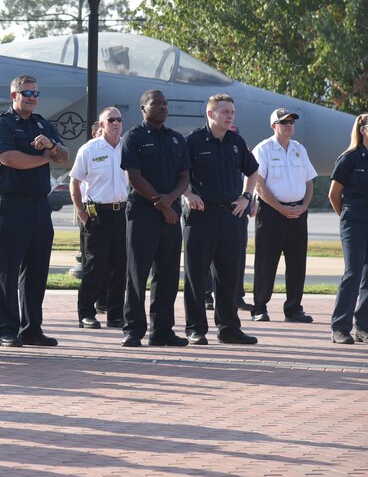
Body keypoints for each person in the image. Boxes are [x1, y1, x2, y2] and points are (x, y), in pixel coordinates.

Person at [0, 75, 69, 347]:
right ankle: (6, 329)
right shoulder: (2, 124)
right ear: (14, 96)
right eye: (26, 93)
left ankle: (32, 328)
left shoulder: (42, 124)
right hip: (10, 204)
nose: (32, 98)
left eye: (36, 93)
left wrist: (52, 146)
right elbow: (10, 159)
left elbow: (64, 157)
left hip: (38, 205)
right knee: (7, 271)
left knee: (36, 271)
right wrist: (45, 157)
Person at [181, 94, 260, 345]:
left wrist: (246, 197)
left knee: (229, 276)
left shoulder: (236, 142)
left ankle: (229, 328)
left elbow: (253, 170)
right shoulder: (192, 141)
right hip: (201, 217)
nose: (230, 116)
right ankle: (195, 328)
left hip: (230, 216)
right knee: (196, 275)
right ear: (210, 114)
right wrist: (187, 194)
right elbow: (179, 173)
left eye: (232, 113)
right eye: (225, 112)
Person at [120, 89, 190, 347]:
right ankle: (133, 330)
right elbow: (134, 176)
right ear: (143, 108)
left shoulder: (176, 140)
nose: (162, 107)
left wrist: (170, 200)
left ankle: (162, 330)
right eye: (155, 103)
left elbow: (185, 176)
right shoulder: (133, 138)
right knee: (137, 274)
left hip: (170, 213)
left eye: (164, 103)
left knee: (168, 274)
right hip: (143, 214)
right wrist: (161, 204)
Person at [250, 109, 316, 323]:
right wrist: (280, 208)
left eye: (291, 122)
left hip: (298, 212)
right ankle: (259, 307)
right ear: (273, 126)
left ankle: (294, 308)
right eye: (284, 122)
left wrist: (304, 206)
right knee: (266, 261)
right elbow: (259, 185)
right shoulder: (264, 149)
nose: (289, 125)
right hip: (271, 213)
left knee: (297, 262)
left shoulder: (299, 149)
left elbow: (308, 182)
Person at [68, 107, 128, 330]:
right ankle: (86, 313)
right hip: (96, 214)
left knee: (120, 266)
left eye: (119, 119)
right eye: (111, 120)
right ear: (101, 125)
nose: (116, 123)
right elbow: (74, 182)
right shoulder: (90, 149)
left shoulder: (127, 147)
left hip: (121, 212)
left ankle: (115, 313)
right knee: (94, 266)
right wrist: (82, 213)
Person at [327, 113, 368, 345]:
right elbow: (334, 194)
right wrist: (345, 217)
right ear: (363, 130)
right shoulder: (350, 158)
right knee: (352, 272)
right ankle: (340, 327)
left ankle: (364, 326)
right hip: (354, 218)